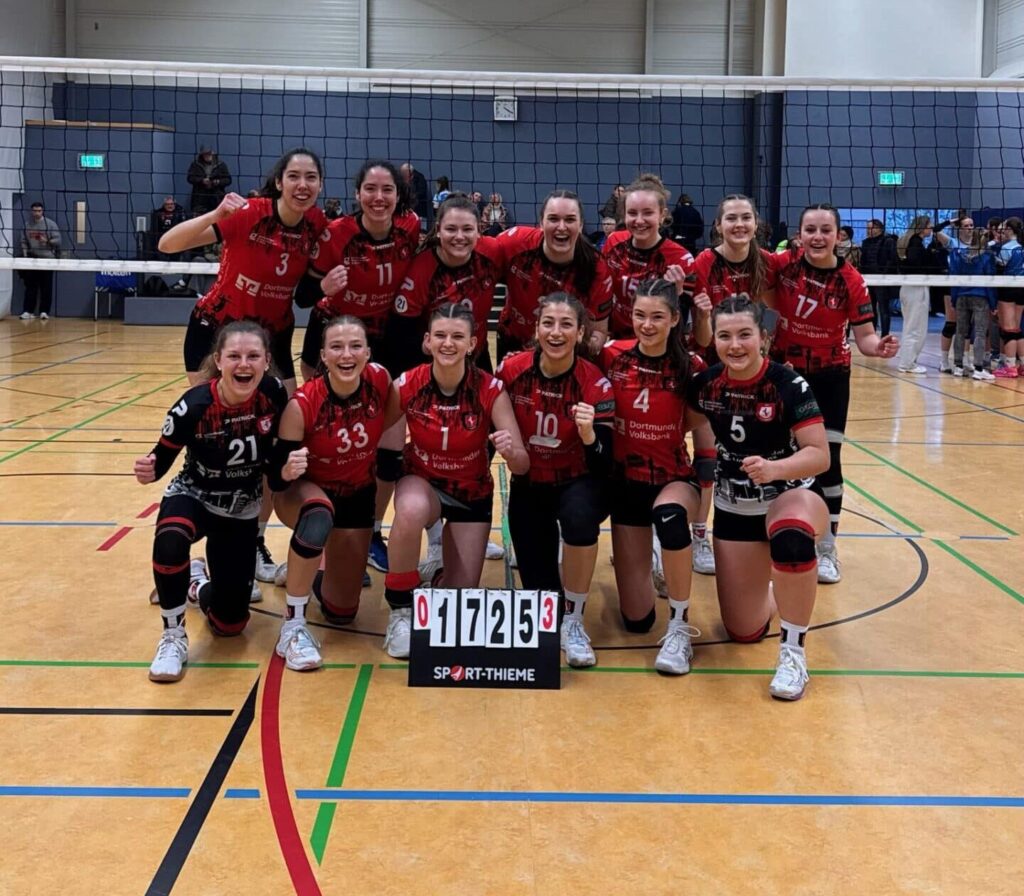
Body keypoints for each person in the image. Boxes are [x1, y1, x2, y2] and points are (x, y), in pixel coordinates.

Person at [159, 147, 331, 584]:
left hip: (272, 338)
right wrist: (216, 213)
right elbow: (167, 244)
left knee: (278, 442)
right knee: (213, 437)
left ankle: (250, 542)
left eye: (311, 177)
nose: (303, 185)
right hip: (216, 332)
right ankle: (184, 548)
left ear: (320, 185)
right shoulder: (249, 213)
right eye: (294, 176)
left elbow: (311, 287)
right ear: (279, 181)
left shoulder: (317, 225)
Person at [687, 296, 831, 700]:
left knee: (791, 536)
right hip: (735, 508)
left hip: (791, 494)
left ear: (763, 337)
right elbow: (677, 422)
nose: (735, 345)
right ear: (714, 339)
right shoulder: (707, 385)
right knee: (743, 630)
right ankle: (776, 587)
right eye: (725, 336)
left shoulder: (787, 384)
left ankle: (793, 653)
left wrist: (775, 469)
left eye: (744, 335)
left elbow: (819, 455)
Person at [134, 321, 288, 683]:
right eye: (234, 356)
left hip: (241, 509)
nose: (244, 364)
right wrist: (148, 469)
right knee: (171, 540)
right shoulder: (194, 405)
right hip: (195, 496)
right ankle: (173, 636)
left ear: (267, 361)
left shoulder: (274, 394)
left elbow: (278, 463)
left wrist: (287, 467)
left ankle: (196, 583)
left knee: (230, 624)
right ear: (218, 361)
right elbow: (161, 459)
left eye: (253, 356)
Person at [294, 159, 420, 575]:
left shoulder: (410, 228)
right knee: (329, 443)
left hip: (383, 341)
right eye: (370, 189)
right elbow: (303, 296)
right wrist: (322, 286)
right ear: (357, 193)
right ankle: (324, 532)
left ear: (399, 196)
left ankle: (371, 533)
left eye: (387, 189)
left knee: (389, 452)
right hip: (333, 339)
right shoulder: (337, 235)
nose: (378, 197)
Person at [382, 303, 529, 658]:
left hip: (471, 492)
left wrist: (511, 452)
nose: (448, 343)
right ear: (427, 341)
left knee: (459, 597)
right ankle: (400, 611)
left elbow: (523, 466)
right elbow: (375, 429)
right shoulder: (408, 384)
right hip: (423, 482)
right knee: (411, 509)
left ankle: (436, 579)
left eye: (458, 337)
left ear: (472, 343)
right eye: (441, 336)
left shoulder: (490, 389)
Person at [769, 204, 899, 584]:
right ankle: (777, 537)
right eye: (810, 229)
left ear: (838, 236)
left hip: (830, 376)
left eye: (825, 230)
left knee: (827, 461)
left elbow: (865, 336)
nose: (817, 236)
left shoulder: (851, 280)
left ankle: (827, 547)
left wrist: (877, 348)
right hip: (784, 372)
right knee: (779, 456)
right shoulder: (783, 265)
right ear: (799, 235)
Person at [267, 316, 402, 671]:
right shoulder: (303, 404)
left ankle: (304, 567)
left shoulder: (380, 381)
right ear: (323, 356)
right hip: (304, 493)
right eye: (337, 347)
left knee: (342, 611)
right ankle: (293, 625)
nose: (347, 355)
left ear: (368, 353)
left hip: (357, 494)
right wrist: (286, 470)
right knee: (317, 515)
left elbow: (389, 419)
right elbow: (276, 478)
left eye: (356, 346)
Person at [598, 279, 715, 675]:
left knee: (669, 518)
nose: (646, 325)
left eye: (657, 317)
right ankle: (650, 564)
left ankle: (680, 626)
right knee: (637, 619)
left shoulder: (691, 366)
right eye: (639, 316)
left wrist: (703, 506)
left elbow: (700, 428)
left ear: (675, 319)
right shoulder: (612, 355)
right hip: (626, 483)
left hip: (673, 479)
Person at [497, 293, 615, 668]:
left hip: (578, 480)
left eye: (566, 325)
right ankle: (557, 609)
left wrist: (589, 435)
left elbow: (604, 463)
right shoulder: (511, 371)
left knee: (579, 520)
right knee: (541, 598)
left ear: (580, 333)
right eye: (548, 323)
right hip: (530, 483)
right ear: (536, 329)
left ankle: (575, 620)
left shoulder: (595, 383)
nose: (556, 332)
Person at [689, 194, 779, 576]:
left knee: (755, 456)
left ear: (756, 224)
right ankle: (697, 536)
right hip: (712, 371)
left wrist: (762, 356)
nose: (739, 225)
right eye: (731, 218)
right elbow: (702, 337)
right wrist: (705, 318)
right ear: (718, 225)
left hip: (752, 372)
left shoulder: (767, 263)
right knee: (707, 458)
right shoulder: (704, 263)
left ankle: (759, 530)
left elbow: (771, 315)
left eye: (746, 218)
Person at [495, 190, 613, 360]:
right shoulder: (514, 244)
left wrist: (568, 352)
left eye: (570, 220)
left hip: (567, 350)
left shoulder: (596, 268)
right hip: (514, 340)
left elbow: (599, 332)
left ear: (580, 225)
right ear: (541, 223)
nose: (562, 227)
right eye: (553, 219)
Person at [602, 173, 696, 340]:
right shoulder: (614, 242)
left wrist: (677, 294)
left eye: (647, 213)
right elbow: (601, 293)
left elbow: (685, 325)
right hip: (618, 340)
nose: (639, 221)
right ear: (624, 215)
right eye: (632, 213)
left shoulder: (681, 259)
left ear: (662, 215)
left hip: (659, 343)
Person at [894, 215, 947, 374]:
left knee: (912, 326)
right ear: (923, 227)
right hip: (915, 287)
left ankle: (909, 361)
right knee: (915, 327)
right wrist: (932, 254)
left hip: (910, 287)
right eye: (930, 226)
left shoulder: (910, 241)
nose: (931, 229)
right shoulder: (915, 243)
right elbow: (917, 264)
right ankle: (907, 363)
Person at [948, 227, 998, 380]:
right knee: (980, 332)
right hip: (980, 296)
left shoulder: (960, 254)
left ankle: (958, 367)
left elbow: (955, 277)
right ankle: (978, 368)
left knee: (960, 331)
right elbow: (990, 281)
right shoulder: (987, 256)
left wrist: (954, 298)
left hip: (962, 296)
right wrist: (993, 303)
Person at [18, 202, 61, 320]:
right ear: (31, 211)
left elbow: (58, 241)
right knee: (30, 286)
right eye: (35, 211)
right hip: (33, 260)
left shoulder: (50, 224)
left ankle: (44, 311)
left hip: (47, 260)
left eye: (39, 211)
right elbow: (23, 241)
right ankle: (28, 311)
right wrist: (25, 256)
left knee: (46, 287)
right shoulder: (27, 225)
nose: (37, 213)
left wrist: (47, 241)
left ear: (42, 211)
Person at [994, 217, 1024, 378]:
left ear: (1010, 230)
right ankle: (1022, 365)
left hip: (1009, 288)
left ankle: (1010, 367)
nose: (1002, 230)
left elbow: (999, 266)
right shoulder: (1022, 247)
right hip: (1022, 288)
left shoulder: (1007, 248)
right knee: (1017, 329)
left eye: (1004, 228)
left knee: (1009, 329)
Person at [859, 219, 898, 338]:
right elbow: (863, 261)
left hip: (882, 280)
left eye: (871, 228)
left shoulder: (888, 241)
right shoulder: (866, 243)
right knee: (870, 309)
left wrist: (884, 274)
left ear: (879, 228)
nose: (869, 231)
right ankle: (872, 334)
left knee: (883, 309)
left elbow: (892, 259)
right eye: (867, 228)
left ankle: (885, 335)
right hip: (868, 279)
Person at [187, 146, 232, 215]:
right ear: (202, 155)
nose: (208, 156)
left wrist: (218, 182)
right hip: (200, 199)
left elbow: (228, 180)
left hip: (217, 198)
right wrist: (202, 181)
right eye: (205, 154)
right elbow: (190, 178)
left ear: (213, 153)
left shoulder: (221, 165)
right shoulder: (195, 165)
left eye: (209, 153)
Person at [149, 195, 187, 260]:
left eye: (171, 204)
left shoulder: (180, 213)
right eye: (167, 204)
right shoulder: (159, 213)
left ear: (175, 204)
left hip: (175, 240)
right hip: (163, 239)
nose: (170, 206)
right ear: (164, 205)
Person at [400, 163, 431, 227]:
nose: (402, 175)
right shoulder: (402, 180)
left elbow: (421, 193)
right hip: (407, 214)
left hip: (419, 212)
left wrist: (410, 198)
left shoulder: (419, 179)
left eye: (404, 173)